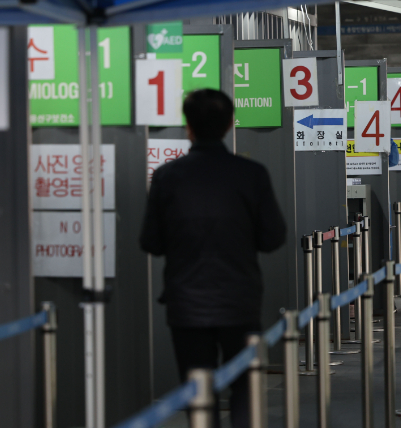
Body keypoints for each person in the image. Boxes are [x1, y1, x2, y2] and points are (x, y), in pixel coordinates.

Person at [140, 89, 286, 427]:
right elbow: (273, 238)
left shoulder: (166, 177)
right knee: (245, 388)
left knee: (198, 391)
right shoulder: (251, 174)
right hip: (240, 300)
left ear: (188, 126)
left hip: (187, 304)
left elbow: (151, 241)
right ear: (230, 124)